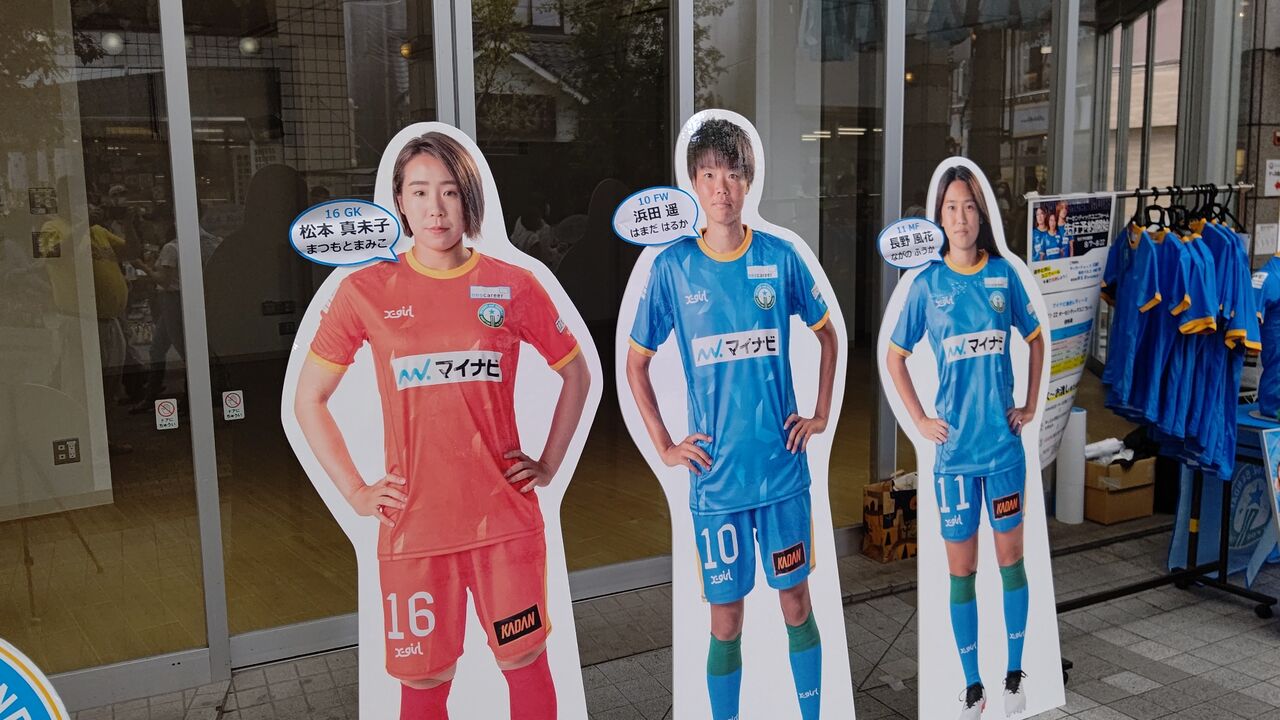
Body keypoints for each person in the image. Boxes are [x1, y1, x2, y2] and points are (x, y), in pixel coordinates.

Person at [293, 131, 590, 720]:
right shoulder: (365, 291)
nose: (435, 208)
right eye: (420, 191)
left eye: (450, 192)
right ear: (400, 202)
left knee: (525, 664)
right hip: (415, 532)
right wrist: (356, 491)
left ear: (468, 200)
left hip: (504, 525)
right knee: (423, 687)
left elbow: (575, 373)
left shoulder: (513, 284)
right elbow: (309, 400)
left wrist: (549, 462)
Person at [625, 118, 838, 720]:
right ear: (694, 183)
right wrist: (666, 444)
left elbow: (828, 337)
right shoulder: (673, 268)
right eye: (709, 175)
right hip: (716, 482)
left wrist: (820, 413)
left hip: (781, 473)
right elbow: (636, 363)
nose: (722, 187)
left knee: (797, 604)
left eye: (733, 174)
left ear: (749, 181)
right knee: (726, 619)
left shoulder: (781, 257)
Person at [884, 164, 1045, 720]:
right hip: (953, 458)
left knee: (1011, 560)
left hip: (1002, 451)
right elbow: (895, 357)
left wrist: (1029, 404)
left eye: (970, 206)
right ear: (939, 216)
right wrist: (921, 419)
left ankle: (1015, 674)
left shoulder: (1003, 275)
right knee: (962, 572)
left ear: (982, 214)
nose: (961, 217)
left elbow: (1036, 339)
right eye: (952, 207)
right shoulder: (927, 285)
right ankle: (973, 686)